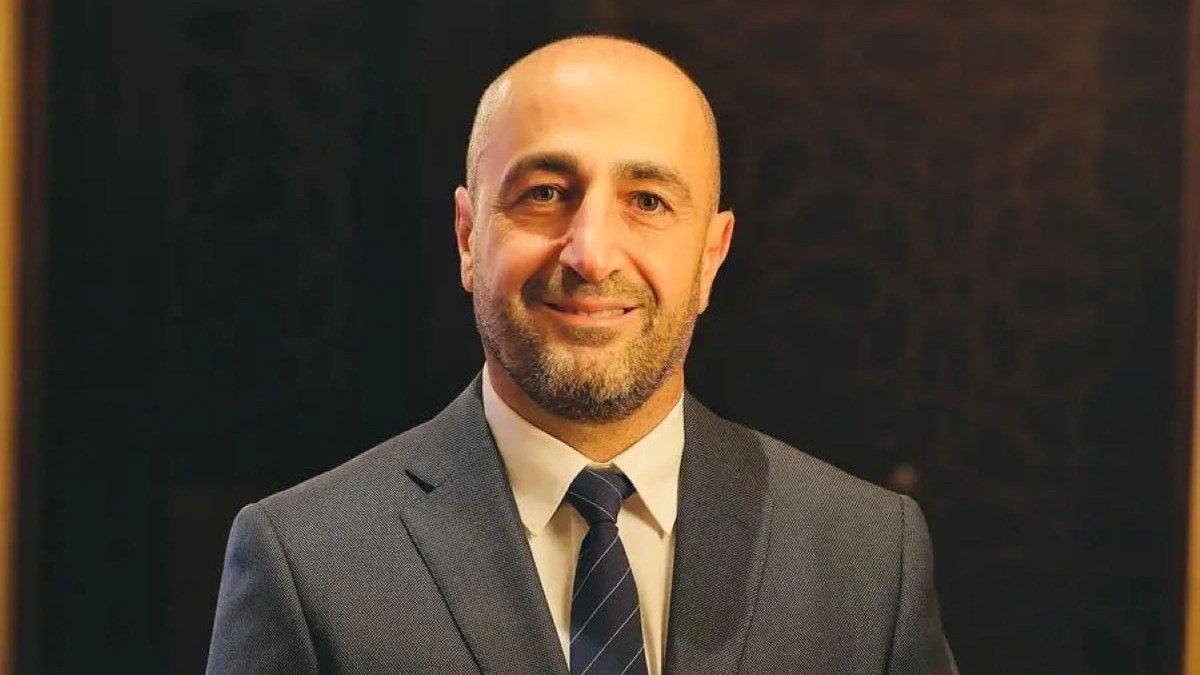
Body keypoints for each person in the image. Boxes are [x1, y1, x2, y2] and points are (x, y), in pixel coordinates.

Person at [206, 35, 958, 675]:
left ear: (711, 256)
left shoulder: (867, 556)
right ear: (468, 236)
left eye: (648, 201)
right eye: (544, 193)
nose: (592, 254)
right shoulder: (306, 562)